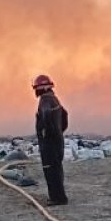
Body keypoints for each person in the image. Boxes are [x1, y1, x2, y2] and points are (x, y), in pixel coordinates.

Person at [33, 74, 69, 205]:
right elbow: (65, 115)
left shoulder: (45, 101)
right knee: (57, 168)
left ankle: (57, 198)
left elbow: (46, 118)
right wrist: (59, 131)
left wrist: (46, 135)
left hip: (49, 144)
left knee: (50, 170)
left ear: (40, 88)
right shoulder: (54, 99)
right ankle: (60, 196)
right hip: (58, 141)